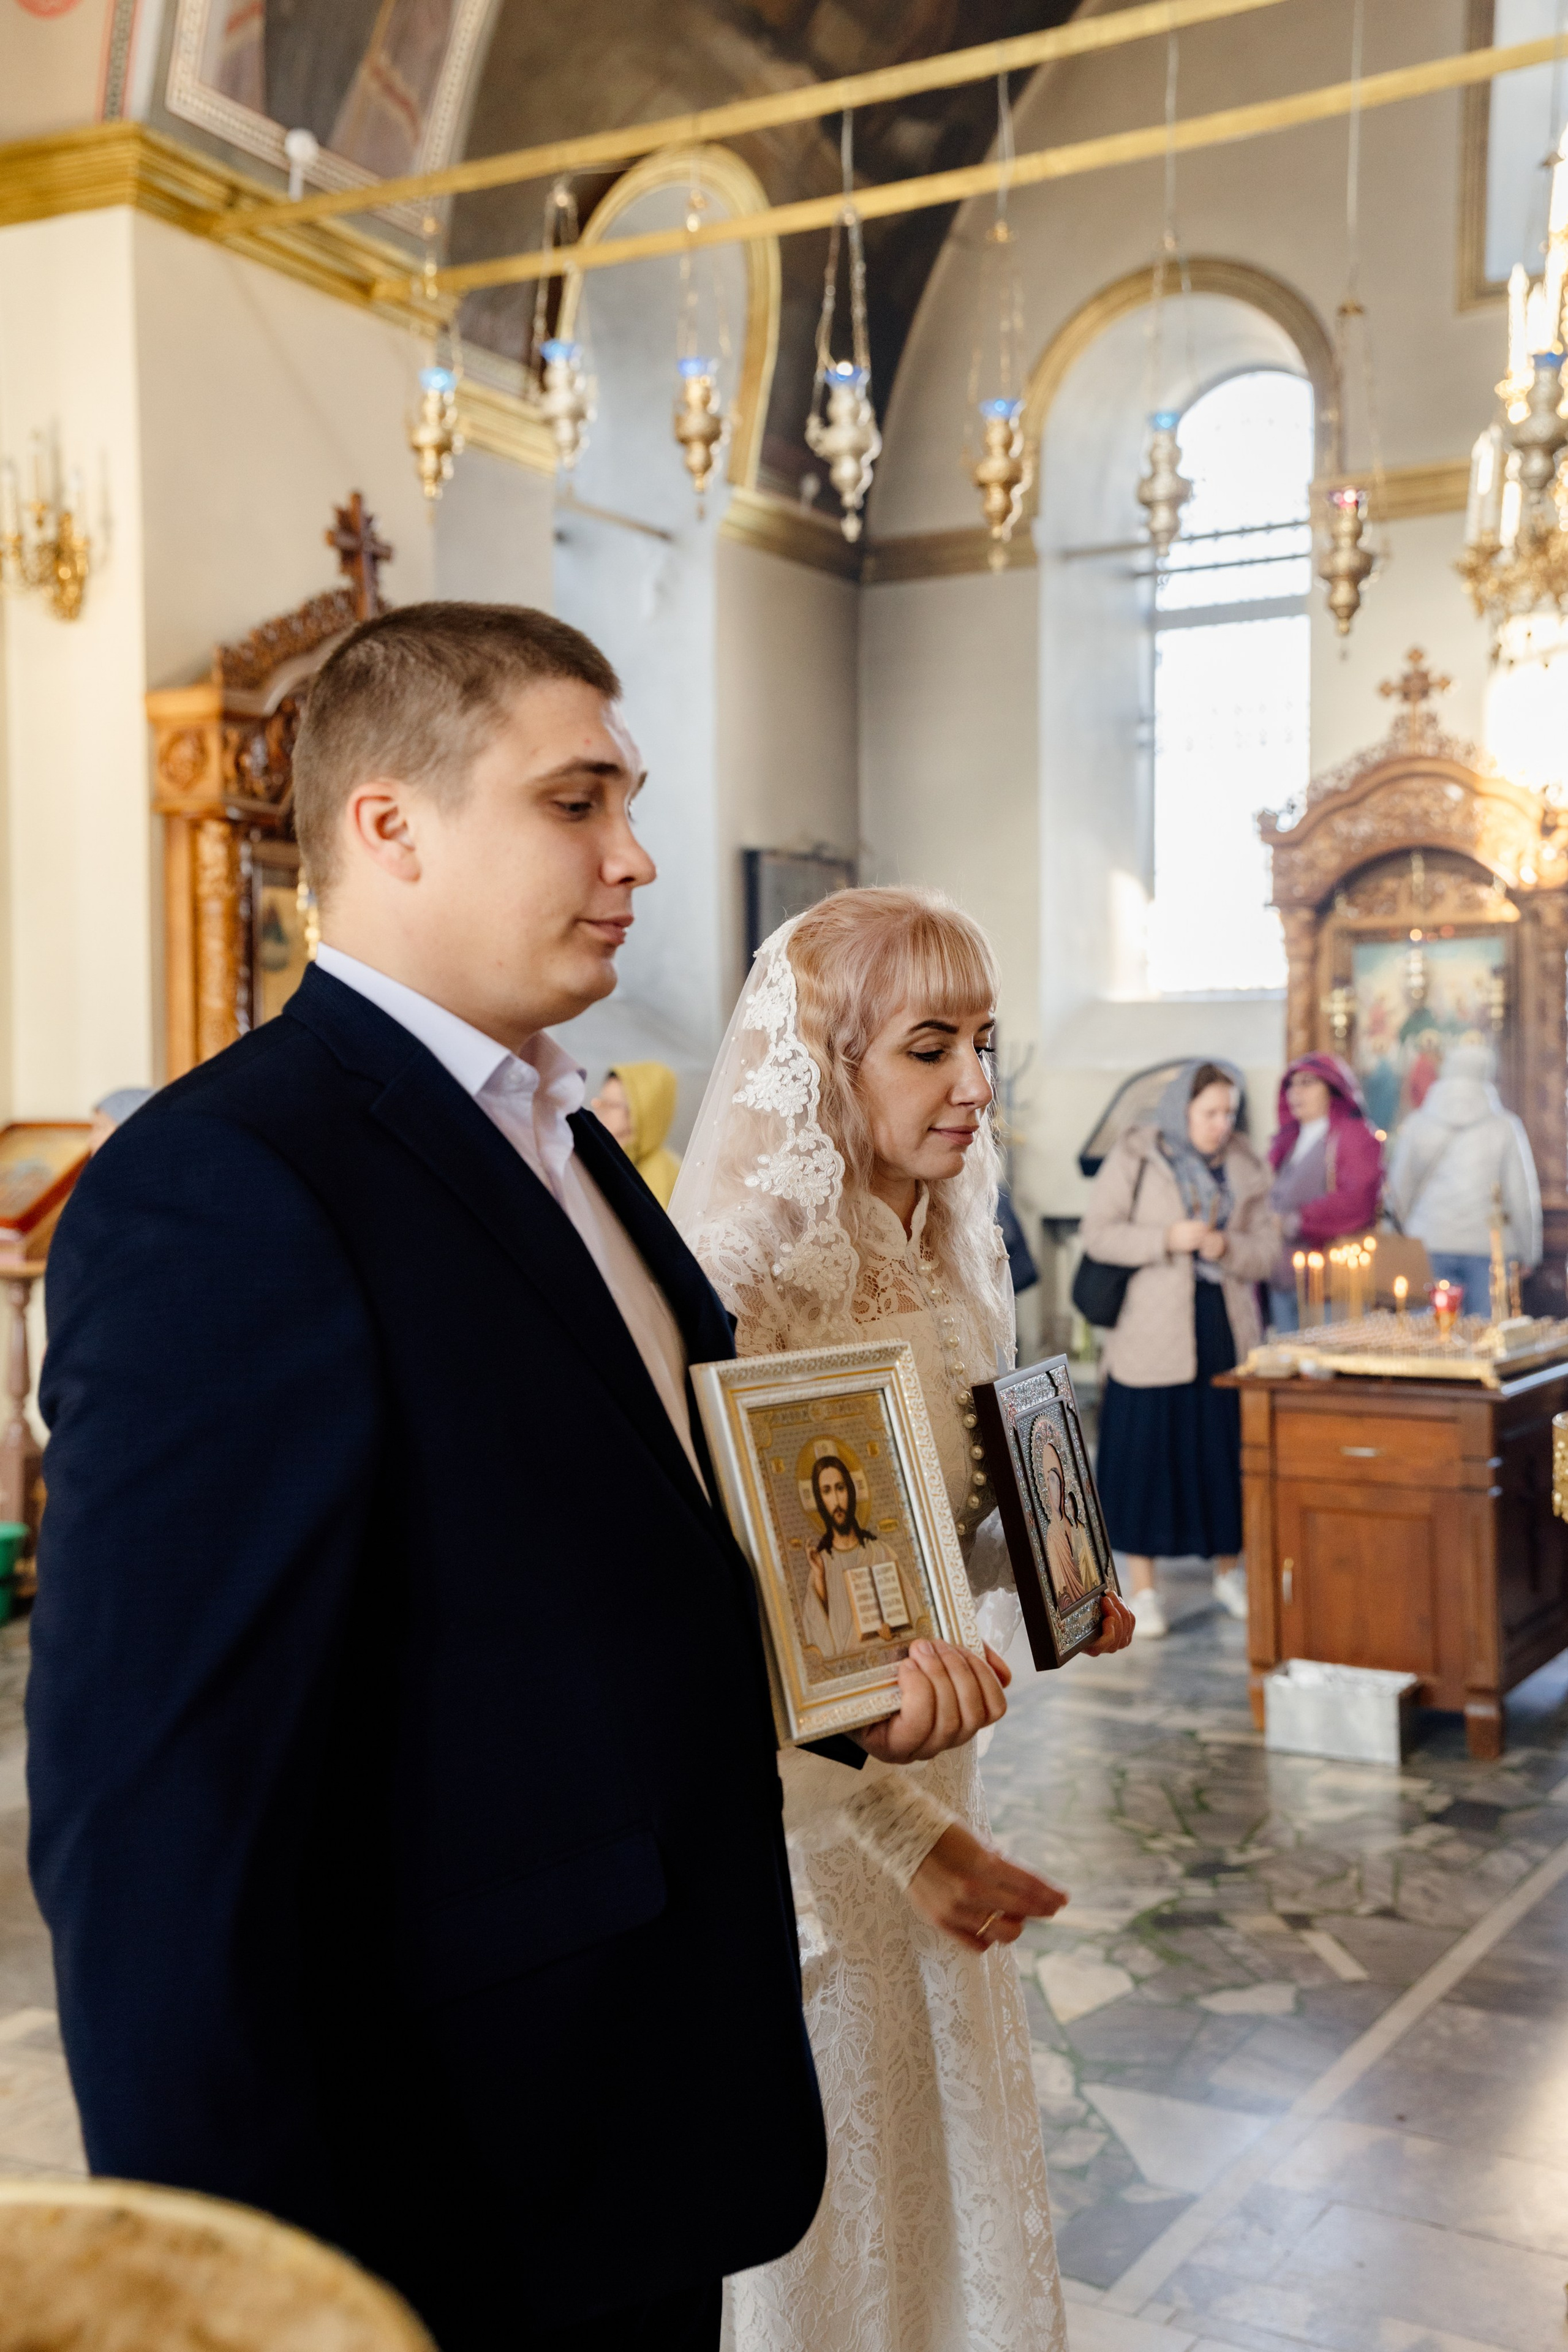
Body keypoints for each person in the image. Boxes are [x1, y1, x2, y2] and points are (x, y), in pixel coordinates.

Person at [26, 606, 1007, 2352]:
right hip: (448, 2147)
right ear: (388, 823)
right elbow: (156, 1819)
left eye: (629, 801)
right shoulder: (230, 1180)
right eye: (576, 802)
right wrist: (221, 2292)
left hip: (634, 2102)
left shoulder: (568, 1143)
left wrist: (848, 1699)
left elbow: (628, 1558)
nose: (635, 857)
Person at [672, 886, 1134, 2352]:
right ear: (826, 1067)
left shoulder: (942, 1244)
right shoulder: (741, 1282)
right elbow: (730, 1628)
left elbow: (923, 1520)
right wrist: (892, 1831)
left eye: (982, 1042)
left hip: (939, 1767)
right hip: (813, 1822)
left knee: (935, 2169)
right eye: (927, 1048)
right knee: (831, 2178)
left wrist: (1047, 1567)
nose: (973, 1084)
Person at [1080, 1058, 1278, 1640]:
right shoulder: (1138, 1155)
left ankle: (1229, 1575)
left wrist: (1226, 1246)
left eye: (1229, 1113)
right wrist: (1166, 1238)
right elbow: (1099, 1234)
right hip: (1152, 1329)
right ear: (1181, 1110)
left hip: (1225, 1330)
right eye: (1210, 1112)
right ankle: (1145, 1591)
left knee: (1225, 1455)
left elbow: (1269, 1252)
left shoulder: (1245, 1163)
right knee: (1145, 1457)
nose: (1222, 1124)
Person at [1385, 1040, 1541, 1309]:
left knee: (1431, 1331)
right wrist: (1529, 1252)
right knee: (1485, 1331)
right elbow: (1519, 1196)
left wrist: (1392, 1241)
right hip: (1488, 1247)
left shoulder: (1418, 1123)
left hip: (1429, 1240)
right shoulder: (1504, 1126)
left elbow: (1399, 1190)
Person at [1265, 1052, 1383, 1331]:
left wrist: (1295, 1221)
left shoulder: (1353, 1136)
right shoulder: (1287, 1140)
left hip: (1332, 1282)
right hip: (1283, 1277)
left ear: (1332, 1088)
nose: (1296, 1092)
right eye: (1291, 1084)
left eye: (1308, 1083)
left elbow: (1357, 1202)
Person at [802, 1454, 912, 1653]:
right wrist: (819, 1577)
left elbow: (913, 1617)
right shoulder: (821, 1563)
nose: (836, 1501)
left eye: (840, 1488)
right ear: (820, 1500)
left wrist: (893, 1636)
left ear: (850, 1492)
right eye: (827, 1491)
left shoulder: (881, 1552)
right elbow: (821, 1639)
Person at [589, 1060, 683, 1207]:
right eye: (601, 1103)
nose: (602, 1111)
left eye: (613, 1105)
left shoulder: (660, 1175)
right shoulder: (605, 1155)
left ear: (642, 1111)